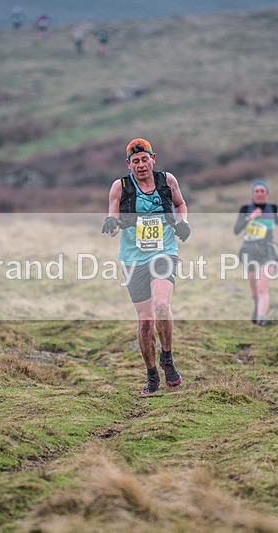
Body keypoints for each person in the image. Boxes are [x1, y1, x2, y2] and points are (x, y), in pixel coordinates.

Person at [101, 138, 191, 395]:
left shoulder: (167, 181)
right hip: (133, 258)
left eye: (145, 160)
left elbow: (181, 204)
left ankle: (168, 358)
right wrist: (111, 224)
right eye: (136, 162)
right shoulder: (120, 187)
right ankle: (152, 375)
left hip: (164, 252)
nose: (141, 165)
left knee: (162, 304)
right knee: (145, 322)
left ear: (153, 159)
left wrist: (183, 222)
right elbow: (113, 214)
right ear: (129, 164)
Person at [234, 180, 278, 326]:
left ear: (267, 193)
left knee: (262, 288)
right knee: (254, 291)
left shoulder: (272, 208)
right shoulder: (245, 209)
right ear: (252, 194)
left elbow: (277, 220)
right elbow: (236, 230)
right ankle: (257, 306)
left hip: (267, 251)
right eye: (256, 191)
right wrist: (249, 218)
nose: (259, 194)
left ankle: (260, 319)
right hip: (249, 251)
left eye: (262, 191)